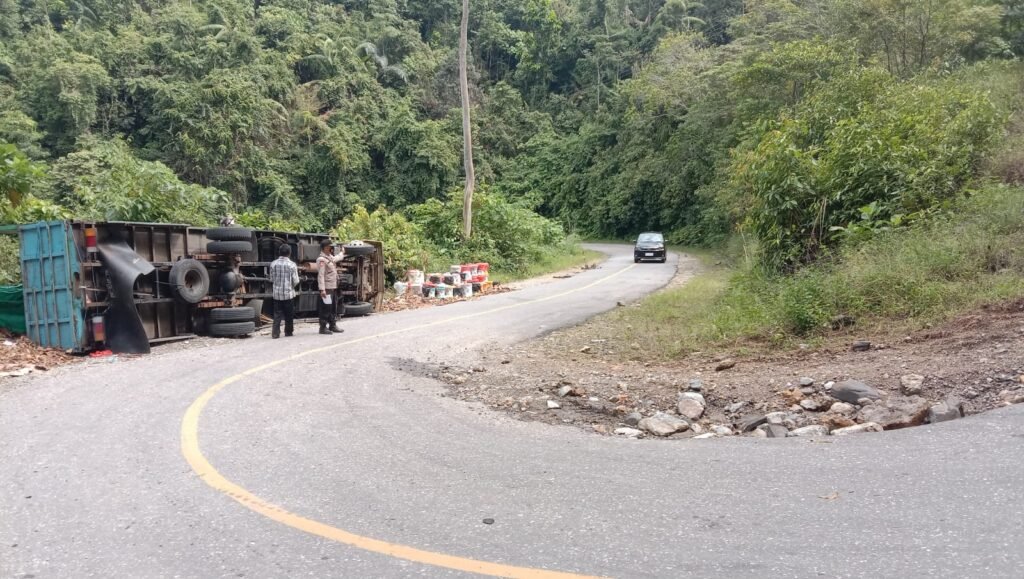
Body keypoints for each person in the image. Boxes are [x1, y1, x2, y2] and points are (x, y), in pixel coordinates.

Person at [269, 243, 299, 339]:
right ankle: (288, 332)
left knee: (277, 314)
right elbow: (296, 281)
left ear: (279, 252)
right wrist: (291, 286)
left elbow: (271, 279)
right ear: (289, 253)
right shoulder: (292, 265)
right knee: (289, 314)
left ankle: (275, 333)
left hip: (277, 294)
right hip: (288, 294)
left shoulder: (273, 264)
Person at [316, 239, 346, 335]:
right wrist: (322, 289)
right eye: (330, 246)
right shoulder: (321, 260)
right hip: (327, 288)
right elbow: (320, 276)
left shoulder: (329, 257)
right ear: (326, 247)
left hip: (333, 287)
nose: (332, 248)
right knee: (326, 308)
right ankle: (323, 327)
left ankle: (332, 325)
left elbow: (336, 258)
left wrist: (342, 253)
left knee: (333, 307)